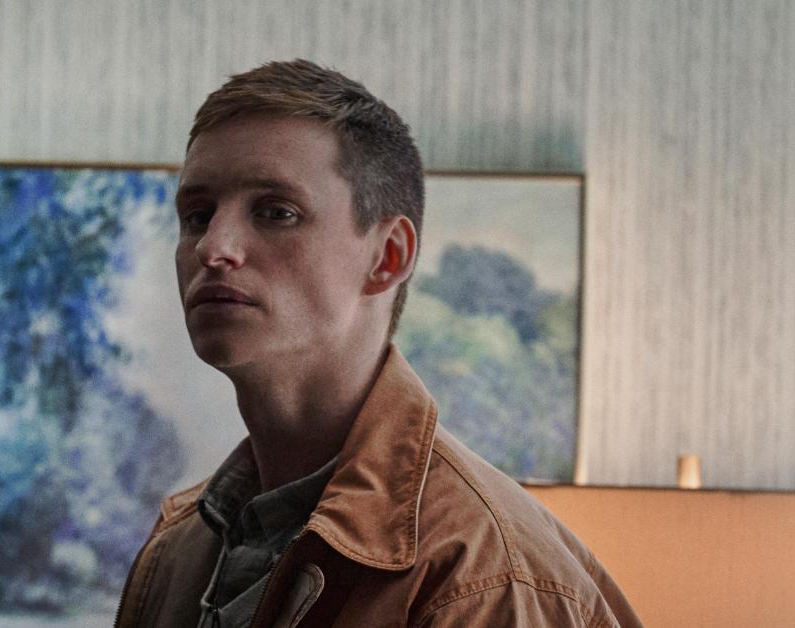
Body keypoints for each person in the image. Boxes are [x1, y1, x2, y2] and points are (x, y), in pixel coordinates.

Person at [115, 59, 641, 628]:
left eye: (276, 212)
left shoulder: (483, 575)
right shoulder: (177, 549)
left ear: (387, 257)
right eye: (197, 215)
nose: (212, 247)